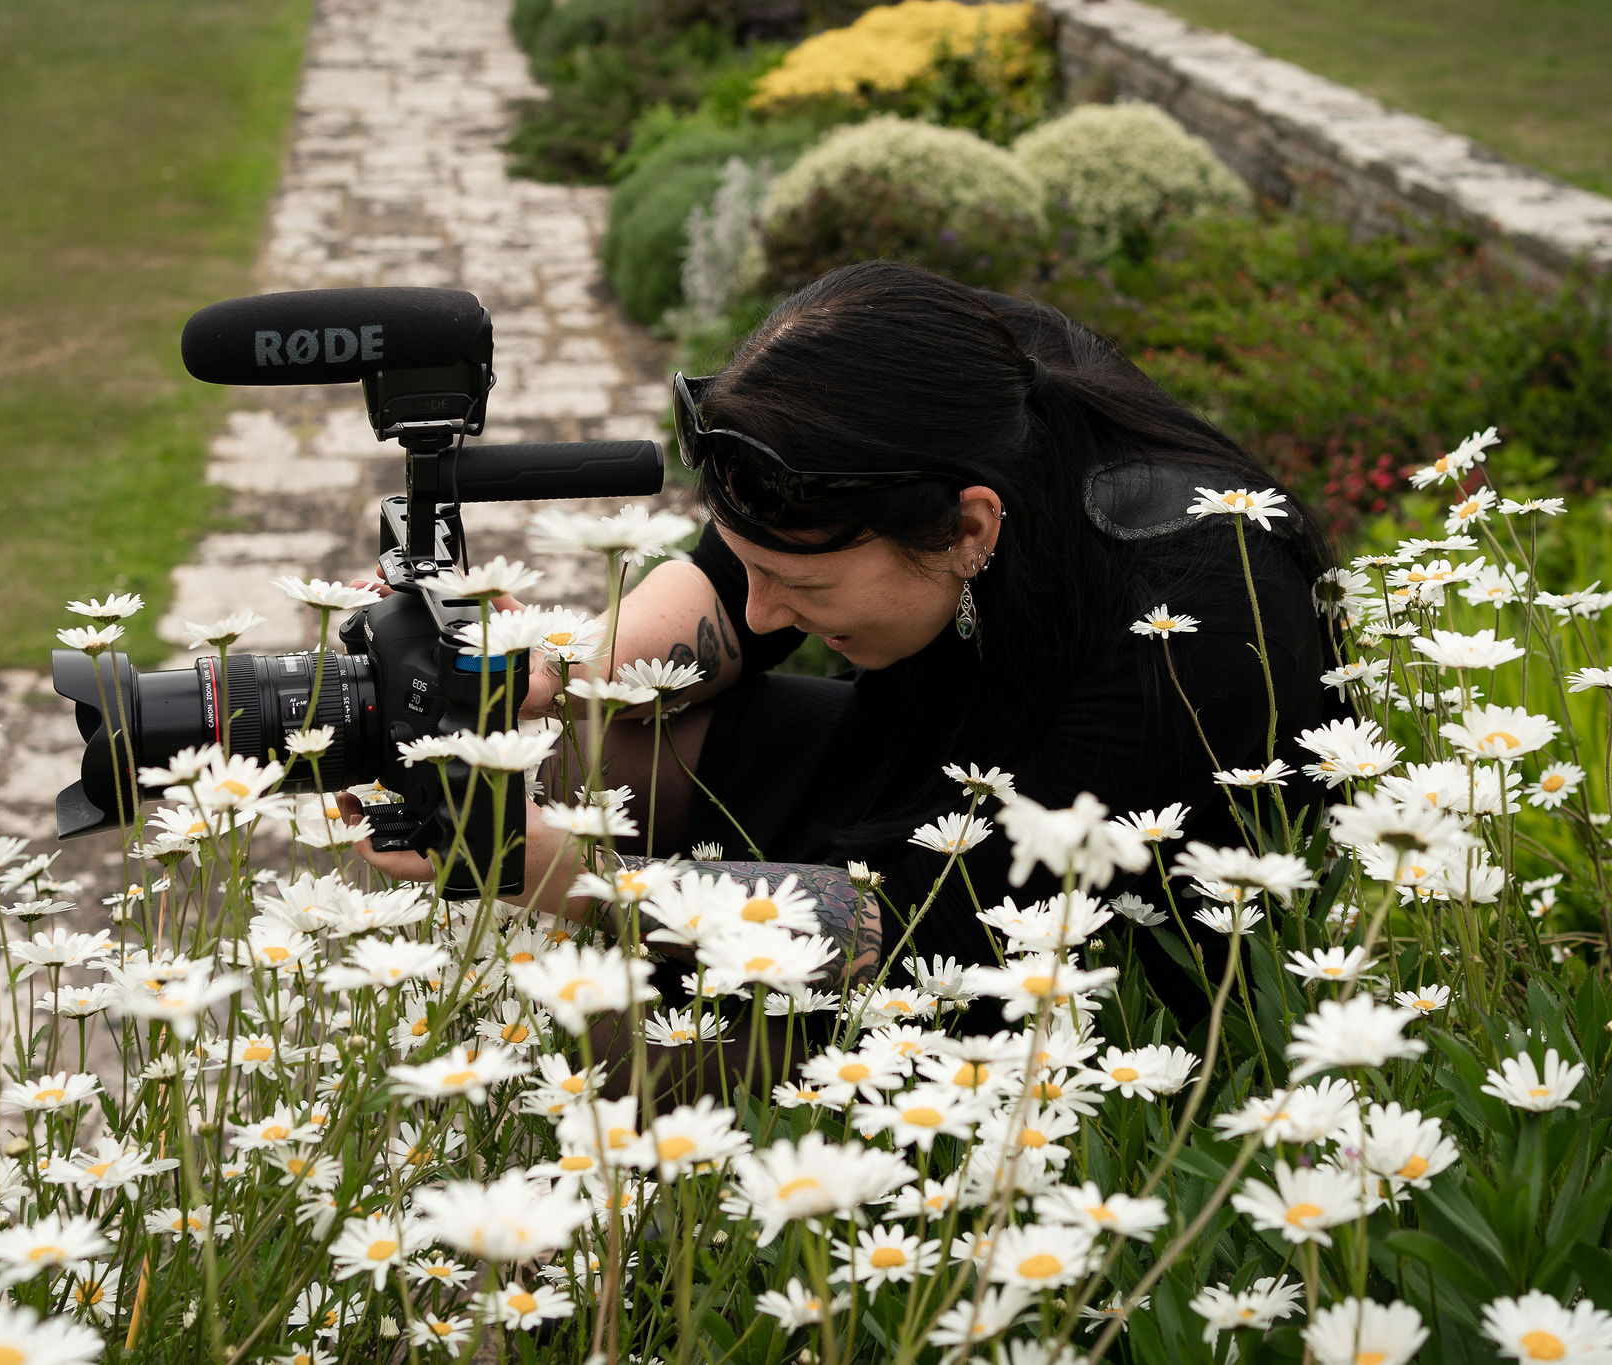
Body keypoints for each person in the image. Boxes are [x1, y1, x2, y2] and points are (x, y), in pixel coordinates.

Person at [348, 260, 1344, 1025]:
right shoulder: (965, 394)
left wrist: (548, 872)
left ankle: (641, 1275)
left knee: (637, 1016)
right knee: (570, 751)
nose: (771, 612)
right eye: (763, 572)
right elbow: (730, 587)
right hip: (929, 777)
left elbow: (929, 934)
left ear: (968, 531)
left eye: (805, 586)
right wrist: (525, 676)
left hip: (1083, 957)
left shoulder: (1193, 626)